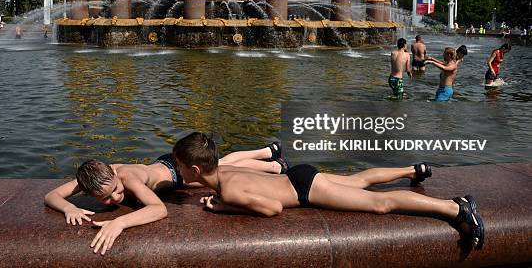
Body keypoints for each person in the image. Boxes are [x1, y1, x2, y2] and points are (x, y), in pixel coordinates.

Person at [173, 133, 485, 251]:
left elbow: (272, 209)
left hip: (304, 189)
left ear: (196, 170)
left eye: (180, 167)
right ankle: (412, 170)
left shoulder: (228, 191)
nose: (179, 172)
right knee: (359, 180)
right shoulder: (224, 169)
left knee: (380, 203)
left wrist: (224, 207)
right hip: (299, 174)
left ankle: (456, 208)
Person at [44, 143, 287, 255]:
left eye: (116, 190)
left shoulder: (126, 177)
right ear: (87, 191)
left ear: (113, 171)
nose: (116, 197)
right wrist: (68, 208)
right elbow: (51, 195)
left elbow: (159, 209)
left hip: (174, 174)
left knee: (223, 166)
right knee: (225, 164)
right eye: (105, 199)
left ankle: (273, 163)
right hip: (160, 165)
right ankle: (269, 154)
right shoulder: (93, 178)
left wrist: (119, 222)